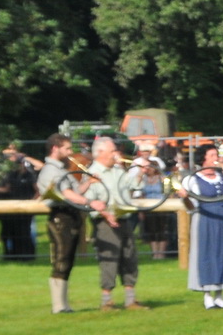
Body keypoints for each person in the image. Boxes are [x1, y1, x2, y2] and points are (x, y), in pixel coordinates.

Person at [35, 133, 93, 313]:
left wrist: (90, 180)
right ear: (55, 148)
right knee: (61, 260)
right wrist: (90, 203)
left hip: (70, 215)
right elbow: (67, 194)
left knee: (67, 259)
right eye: (67, 148)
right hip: (60, 217)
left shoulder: (62, 169)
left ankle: (64, 304)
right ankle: (58, 305)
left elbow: (76, 191)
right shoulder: (50, 170)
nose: (70, 152)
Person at [86, 136, 146, 310]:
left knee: (130, 257)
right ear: (100, 152)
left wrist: (141, 170)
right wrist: (105, 214)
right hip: (105, 223)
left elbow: (134, 184)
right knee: (109, 260)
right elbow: (89, 201)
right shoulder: (91, 173)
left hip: (124, 219)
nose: (116, 154)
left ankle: (130, 299)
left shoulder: (117, 170)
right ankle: (107, 301)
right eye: (112, 151)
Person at [177, 146, 223, 307]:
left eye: (217, 154)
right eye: (212, 155)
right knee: (206, 254)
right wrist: (184, 197)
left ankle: (220, 294)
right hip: (204, 218)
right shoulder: (192, 179)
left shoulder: (222, 176)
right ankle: (207, 294)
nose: (216, 157)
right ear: (203, 159)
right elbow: (190, 206)